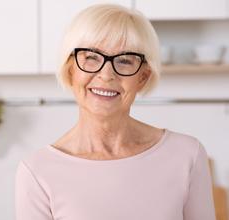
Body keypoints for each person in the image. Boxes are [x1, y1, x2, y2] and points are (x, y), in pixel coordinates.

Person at [15, 3, 216, 220]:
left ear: (143, 77)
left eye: (124, 60)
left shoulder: (187, 155)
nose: (106, 74)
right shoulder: (37, 171)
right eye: (91, 57)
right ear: (71, 69)